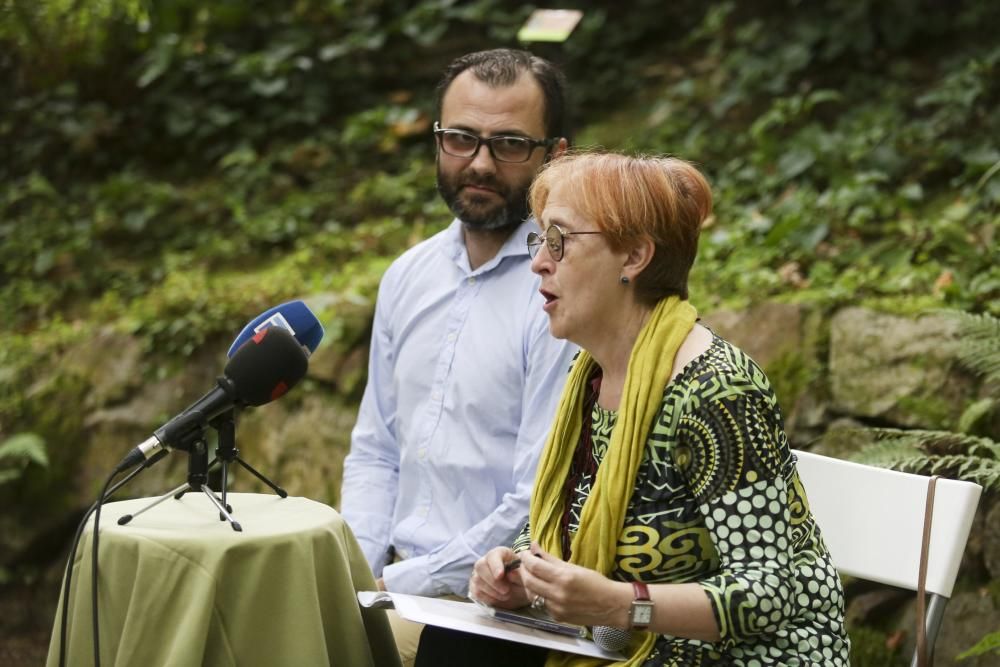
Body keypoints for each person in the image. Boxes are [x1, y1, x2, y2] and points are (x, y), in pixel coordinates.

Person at [416, 152, 850, 666]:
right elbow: (574, 516)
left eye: (560, 240)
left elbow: (770, 592)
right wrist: (521, 571)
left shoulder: (717, 389)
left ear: (633, 257)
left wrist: (623, 605)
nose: (538, 261)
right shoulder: (591, 374)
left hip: (744, 657)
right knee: (453, 648)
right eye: (540, 240)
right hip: (625, 648)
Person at [339, 48, 579, 666]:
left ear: (555, 156)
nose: (479, 162)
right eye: (461, 138)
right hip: (392, 589)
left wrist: (404, 584)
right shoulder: (406, 276)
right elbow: (375, 451)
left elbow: (535, 501)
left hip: (502, 607)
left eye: (508, 144)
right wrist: (355, 575)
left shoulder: (563, 290)